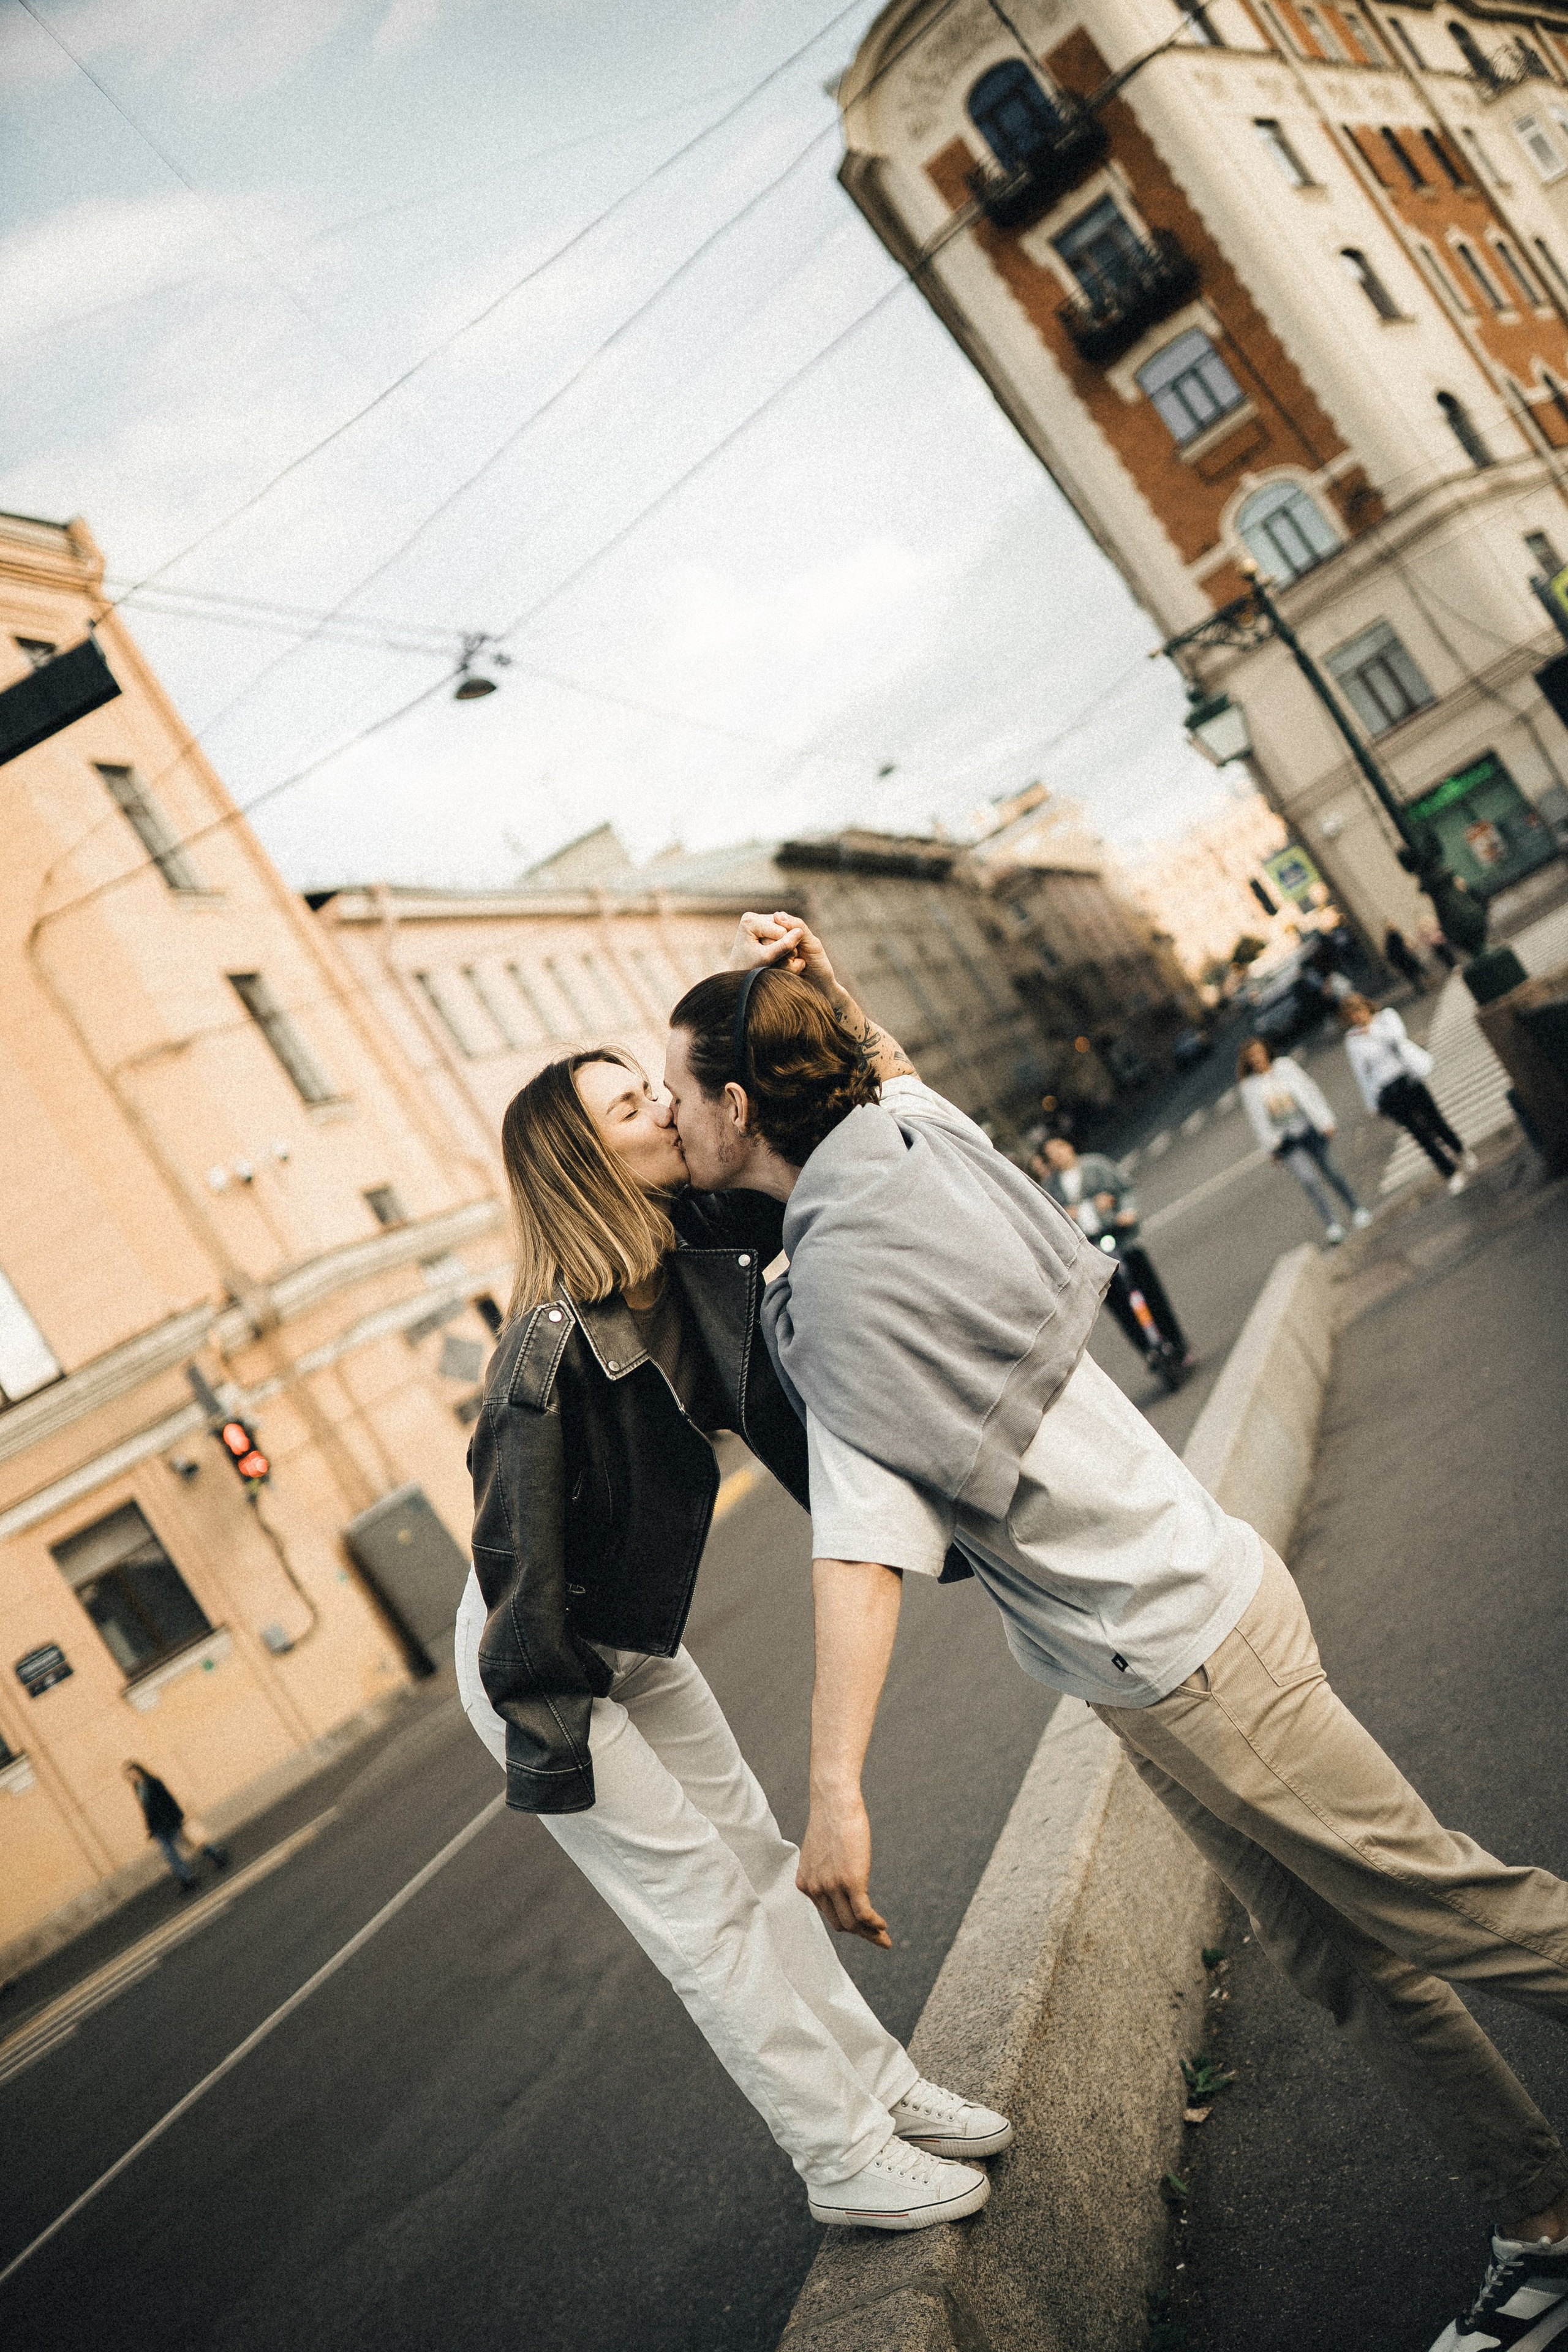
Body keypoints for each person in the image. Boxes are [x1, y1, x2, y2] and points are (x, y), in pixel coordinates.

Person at [662, 916, 1568, 2352]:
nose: (660, 1117)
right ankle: (1540, 2221)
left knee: (1442, 1907)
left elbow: (859, 1545)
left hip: (1186, 1651)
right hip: (1170, 1631)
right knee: (1344, 1958)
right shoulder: (900, 1131)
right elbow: (877, 1061)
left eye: (671, 1093)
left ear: (737, 1104)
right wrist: (820, 976)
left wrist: (832, 1786)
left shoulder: (842, 1274)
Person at [457, 1039, 1009, 2234]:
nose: (663, 1106)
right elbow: (515, 1569)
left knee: (757, 1863)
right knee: (700, 1908)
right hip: (541, 1649)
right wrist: (553, 1739)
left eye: (652, 1089)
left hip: (631, 1628)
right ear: (582, 1161)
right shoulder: (545, 1358)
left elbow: (799, 1150)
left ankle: (881, 2087)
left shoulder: (690, 1254)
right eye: (629, 1104)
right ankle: (840, 2157)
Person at [1033, 1137, 1193, 1380]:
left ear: (1070, 1146)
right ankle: (1149, 1350)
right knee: (1119, 1307)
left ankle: (1177, 1342)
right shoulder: (1052, 1188)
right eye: (1051, 1154)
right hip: (1093, 1252)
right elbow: (1051, 1222)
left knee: (1151, 1290)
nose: (1058, 1155)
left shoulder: (1095, 1166)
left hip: (1119, 1238)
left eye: (1060, 1148)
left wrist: (1125, 1210)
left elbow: (1125, 1189)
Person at [1237, 1035, 1371, 1243]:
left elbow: (1310, 1090)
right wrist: (1269, 1149)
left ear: (1266, 1051)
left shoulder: (1284, 1067)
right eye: (1251, 1057)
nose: (1256, 1059)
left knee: (1332, 1172)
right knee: (1309, 1181)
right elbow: (1257, 1120)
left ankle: (1356, 1209)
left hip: (1307, 1128)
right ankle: (1332, 1224)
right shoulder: (1249, 1087)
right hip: (1284, 1141)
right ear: (1247, 1061)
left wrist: (1326, 1119)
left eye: (1258, 1053)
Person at [1341, 991, 1476, 1196]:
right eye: (1351, 1016)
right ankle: (1449, 1172)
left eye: (1358, 1011)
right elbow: (1361, 1073)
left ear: (1366, 1007)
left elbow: (1398, 1038)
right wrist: (1372, 1103)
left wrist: (1372, 1032)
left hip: (1407, 1079)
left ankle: (1460, 1150)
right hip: (1387, 1090)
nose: (1357, 1018)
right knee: (1419, 1134)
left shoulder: (1385, 1018)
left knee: (1435, 1120)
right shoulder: (1352, 1040)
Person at [124, 1761, 228, 1894]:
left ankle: (217, 1855)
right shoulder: (138, 1789)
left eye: (134, 1773)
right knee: (171, 1855)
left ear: (140, 1771)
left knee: (192, 1842)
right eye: (130, 1776)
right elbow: (147, 1810)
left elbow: (169, 1800)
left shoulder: (154, 1783)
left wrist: (179, 1818)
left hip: (171, 1823)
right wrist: (150, 1829)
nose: (133, 1777)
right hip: (158, 1829)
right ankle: (187, 1880)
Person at [1383, 925, 1430, 994]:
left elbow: (1389, 955)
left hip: (1401, 962)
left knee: (1412, 976)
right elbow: (1405, 944)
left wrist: (1395, 965)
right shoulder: (1397, 936)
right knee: (1419, 969)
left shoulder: (1389, 942)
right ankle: (1428, 981)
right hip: (1406, 957)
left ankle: (1421, 989)